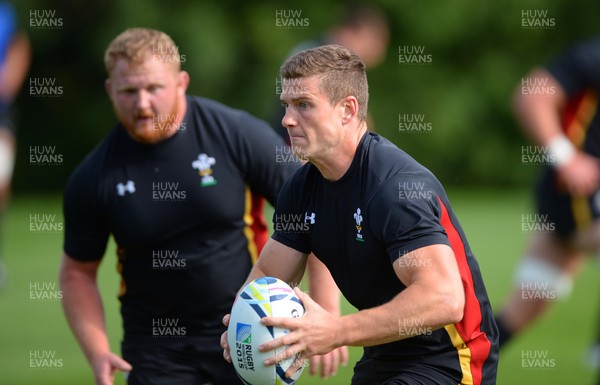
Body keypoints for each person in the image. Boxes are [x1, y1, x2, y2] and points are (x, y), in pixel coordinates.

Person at [59, 28, 344, 385]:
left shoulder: (236, 134)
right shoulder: (95, 176)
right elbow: (77, 273)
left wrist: (327, 311)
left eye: (154, 89)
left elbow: (310, 212)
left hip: (250, 327)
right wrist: (97, 350)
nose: (142, 103)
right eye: (129, 91)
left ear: (181, 82)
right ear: (110, 91)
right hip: (155, 348)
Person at [222, 44, 499, 384]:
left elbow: (444, 298)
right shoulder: (300, 188)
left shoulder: (394, 189)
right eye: (286, 106)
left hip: (450, 360)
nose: (287, 119)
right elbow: (270, 272)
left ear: (347, 110)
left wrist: (336, 330)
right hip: (383, 352)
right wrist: (243, 323)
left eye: (304, 105)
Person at [494, 37, 600, 378]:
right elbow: (531, 95)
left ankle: (438, 368)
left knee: (526, 303)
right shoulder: (593, 56)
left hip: (573, 200)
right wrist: (567, 160)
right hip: (580, 193)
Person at [272, 3, 390, 142]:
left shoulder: (342, 64)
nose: (378, 53)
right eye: (374, 42)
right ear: (352, 32)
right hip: (293, 145)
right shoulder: (310, 56)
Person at [0, 1, 31, 288]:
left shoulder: (6, 11)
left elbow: (19, 46)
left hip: (1, 113)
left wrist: (9, 80)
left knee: (0, 182)